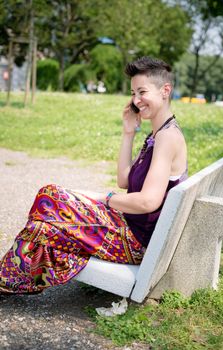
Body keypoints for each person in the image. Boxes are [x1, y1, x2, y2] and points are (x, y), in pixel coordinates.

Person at [0, 56, 188, 294]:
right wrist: (128, 132)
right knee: (48, 207)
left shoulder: (167, 138)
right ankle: (11, 278)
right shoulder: (158, 134)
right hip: (127, 225)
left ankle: (11, 278)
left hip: (134, 240)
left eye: (142, 92)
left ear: (165, 91)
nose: (136, 100)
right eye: (132, 93)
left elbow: (147, 201)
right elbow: (124, 180)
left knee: (49, 202)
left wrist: (104, 199)